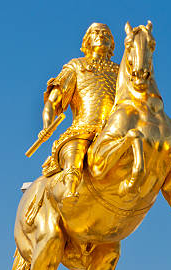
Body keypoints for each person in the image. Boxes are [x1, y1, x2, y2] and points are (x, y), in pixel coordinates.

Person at [40, 23, 119, 203]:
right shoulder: (76, 66)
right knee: (76, 151)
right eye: (96, 33)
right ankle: (71, 188)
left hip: (114, 132)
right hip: (83, 130)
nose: (102, 36)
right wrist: (47, 126)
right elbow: (53, 101)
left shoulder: (121, 72)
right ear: (88, 41)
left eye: (107, 34)